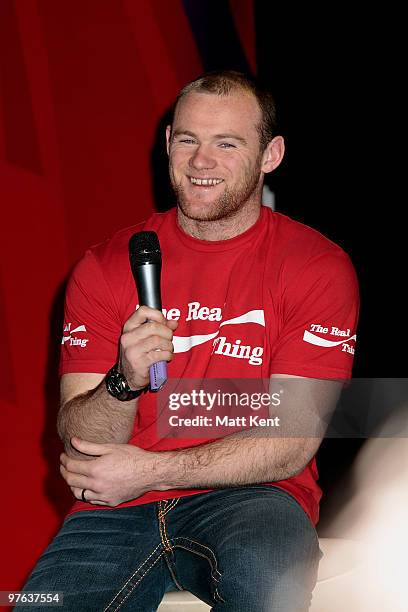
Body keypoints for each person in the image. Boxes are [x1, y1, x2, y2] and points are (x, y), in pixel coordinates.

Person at [22, 71, 359, 611]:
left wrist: (148, 470)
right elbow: (80, 437)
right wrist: (123, 381)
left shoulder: (316, 266)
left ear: (270, 155)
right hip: (116, 510)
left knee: (264, 591)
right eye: (187, 140)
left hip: (255, 498)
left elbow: (291, 442)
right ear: (167, 145)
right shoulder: (107, 265)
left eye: (226, 143)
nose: (201, 162)